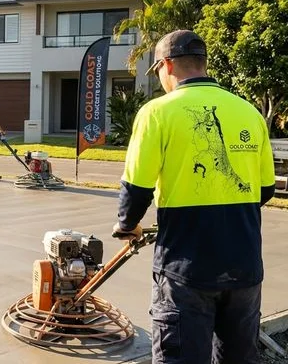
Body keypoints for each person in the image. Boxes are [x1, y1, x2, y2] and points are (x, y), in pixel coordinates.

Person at [112, 30, 275, 363]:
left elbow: (136, 188)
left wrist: (127, 226)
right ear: (203, 63)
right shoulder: (249, 113)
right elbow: (265, 190)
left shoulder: (157, 112)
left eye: (158, 71)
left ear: (167, 65)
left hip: (186, 270)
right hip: (244, 267)